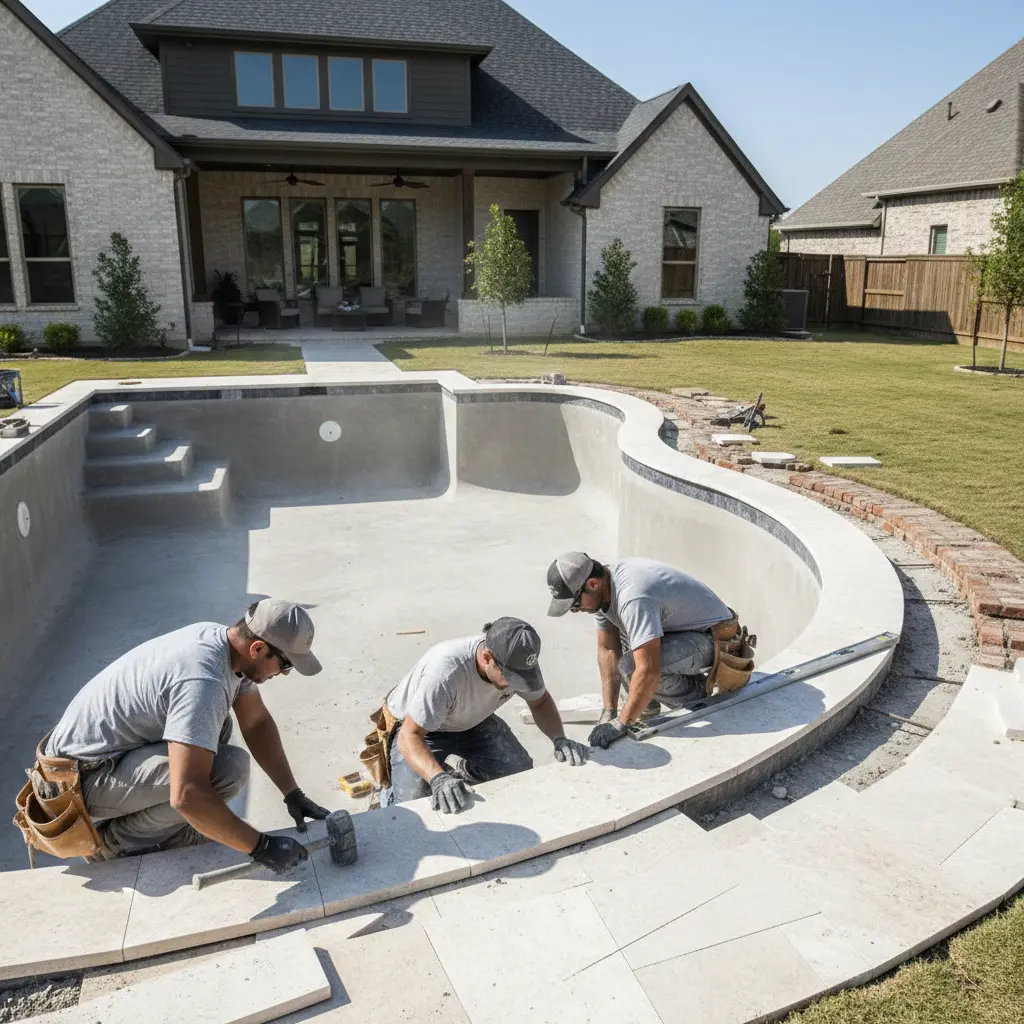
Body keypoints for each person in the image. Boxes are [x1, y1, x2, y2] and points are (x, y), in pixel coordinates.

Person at [41, 599, 329, 874]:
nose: (284, 673)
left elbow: (255, 723)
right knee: (226, 771)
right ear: (257, 649)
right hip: (75, 783)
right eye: (286, 665)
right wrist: (261, 847)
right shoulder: (203, 680)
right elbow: (187, 795)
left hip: (95, 761)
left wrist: (292, 793)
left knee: (217, 727)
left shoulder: (223, 644)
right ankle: (113, 845)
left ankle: (173, 831)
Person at [380, 617, 588, 813]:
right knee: (413, 802)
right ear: (487, 657)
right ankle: (388, 793)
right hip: (422, 730)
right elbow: (410, 737)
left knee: (517, 770)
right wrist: (437, 778)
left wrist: (559, 738)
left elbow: (540, 701)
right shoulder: (445, 672)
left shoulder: (518, 660)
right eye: (510, 678)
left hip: (471, 719)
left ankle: (462, 771)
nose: (515, 685)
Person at [546, 552, 739, 749]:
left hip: (716, 639)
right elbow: (608, 650)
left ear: (592, 584)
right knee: (629, 642)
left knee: (632, 667)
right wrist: (609, 711)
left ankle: (699, 699)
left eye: (575, 605)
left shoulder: (632, 597)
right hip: (684, 632)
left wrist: (622, 723)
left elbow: (647, 670)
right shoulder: (604, 590)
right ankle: (647, 703)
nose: (577, 610)